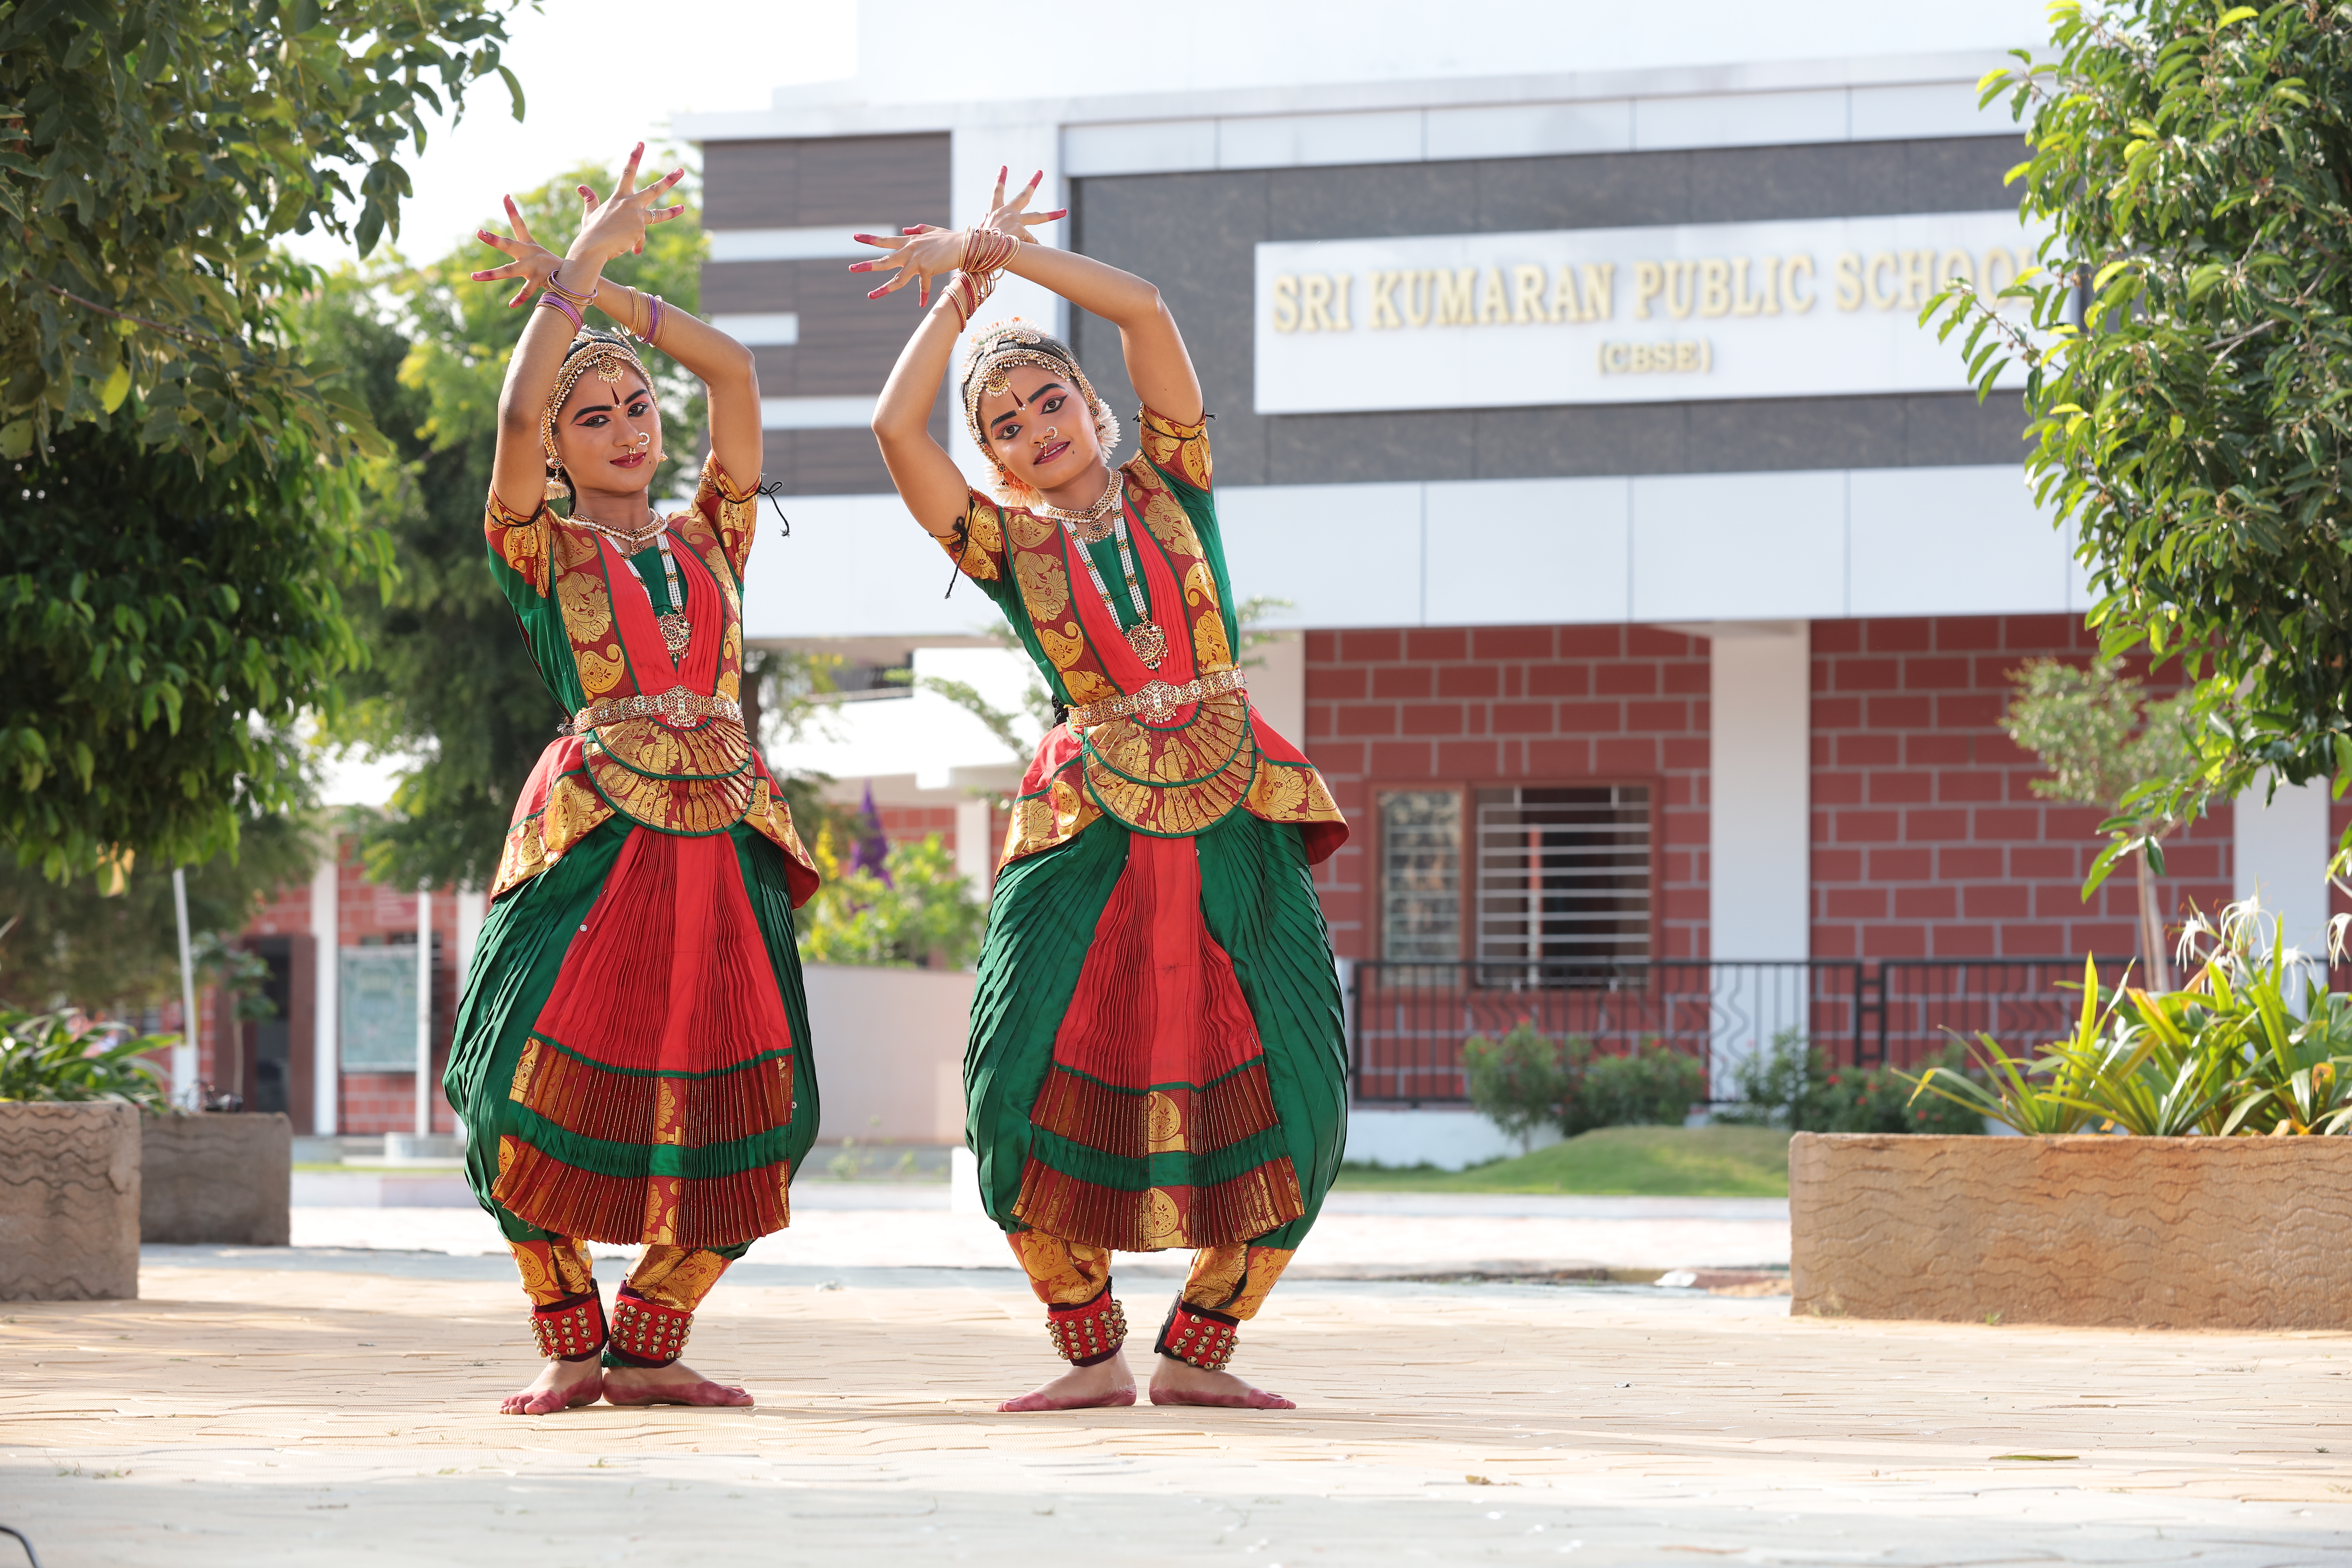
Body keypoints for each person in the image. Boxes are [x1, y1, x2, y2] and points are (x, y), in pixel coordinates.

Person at [858, 170, 1350, 1412]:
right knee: (1014, 1071)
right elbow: (893, 433)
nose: (1035, 427)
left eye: (1050, 399)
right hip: (1087, 821)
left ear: (1094, 407)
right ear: (1002, 464)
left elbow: (1143, 313)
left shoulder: (1177, 483)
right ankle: (1088, 1347)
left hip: (1236, 799)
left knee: (1299, 1082)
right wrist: (953, 301)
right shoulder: (1005, 545)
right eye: (1008, 425)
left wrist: (1005, 256)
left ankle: (1200, 1349)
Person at [444, 145, 822, 1416]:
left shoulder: (715, 530)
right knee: (510, 1091)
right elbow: (507, 417)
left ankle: (652, 1337)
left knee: (763, 1108)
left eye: (635, 410)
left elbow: (738, 373)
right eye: (591, 416)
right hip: (597, 830)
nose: (623, 428)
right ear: (553, 451)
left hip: (725, 831)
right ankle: (567, 1334)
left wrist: (604, 296)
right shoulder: (536, 548)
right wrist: (581, 276)